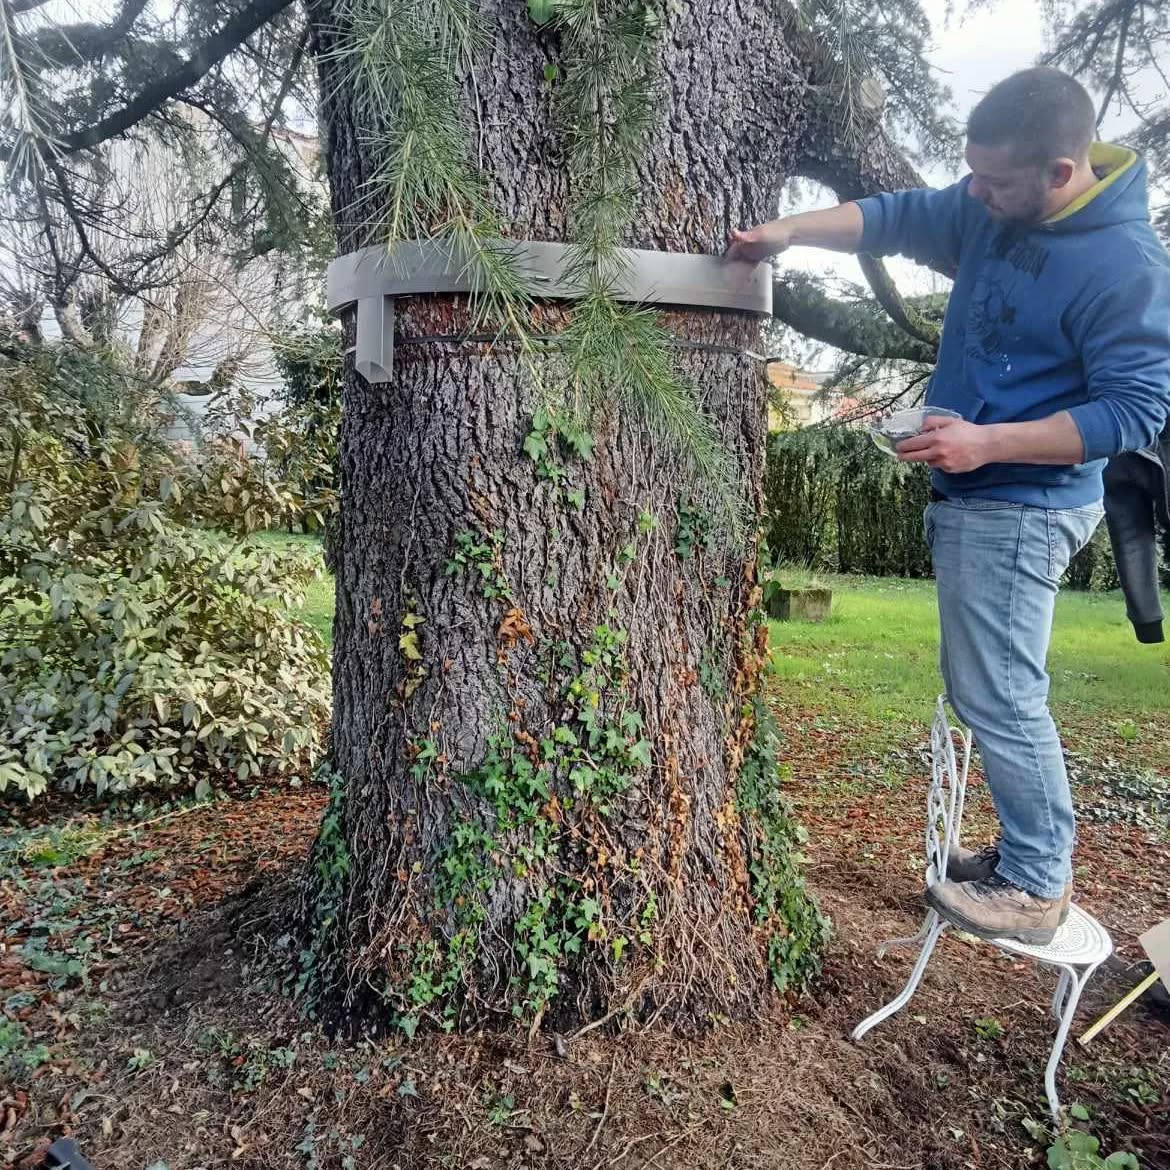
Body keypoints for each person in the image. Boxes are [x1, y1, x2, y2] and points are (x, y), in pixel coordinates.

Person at [726, 67, 1170, 945]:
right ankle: (1018, 856)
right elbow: (894, 216)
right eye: (971, 173)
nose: (973, 193)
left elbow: (1133, 414)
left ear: (1059, 173)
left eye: (994, 179)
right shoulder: (990, 205)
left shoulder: (1127, 266)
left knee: (1000, 694)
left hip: (1024, 502)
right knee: (988, 687)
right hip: (978, 491)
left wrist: (984, 443)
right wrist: (785, 231)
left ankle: (1038, 884)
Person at [1103, 420, 1170, 644]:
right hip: (1123, 431)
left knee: (1129, 533)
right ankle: (1148, 625)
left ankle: (1148, 625)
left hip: (1119, 426)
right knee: (1129, 531)